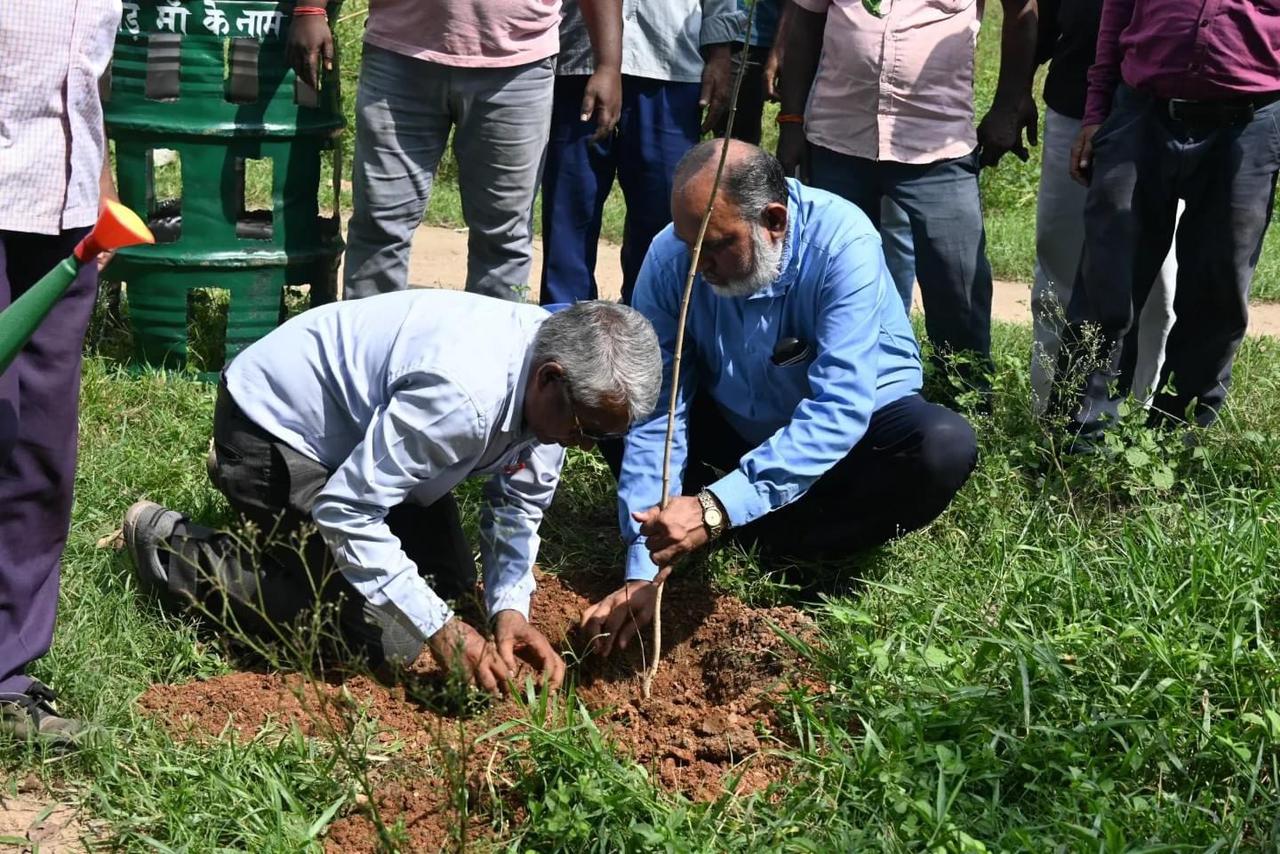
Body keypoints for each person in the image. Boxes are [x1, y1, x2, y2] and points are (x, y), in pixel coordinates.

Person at [123, 293, 661, 693]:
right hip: (275, 430)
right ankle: (175, 546)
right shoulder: (464, 396)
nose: (585, 446)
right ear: (549, 378)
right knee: (388, 636)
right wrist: (440, 631)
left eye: (601, 437)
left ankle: (272, 507)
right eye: (586, 430)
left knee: (449, 595)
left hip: (371, 440)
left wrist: (509, 610)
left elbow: (518, 504)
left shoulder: (556, 380)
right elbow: (347, 511)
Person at [580, 141, 978, 654]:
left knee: (940, 447)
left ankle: (777, 540)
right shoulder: (669, 259)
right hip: (735, 426)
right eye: (689, 246)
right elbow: (660, 409)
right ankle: (715, 525)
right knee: (615, 402)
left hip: (850, 438)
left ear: (774, 220)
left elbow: (839, 408)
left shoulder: (842, 241)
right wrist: (642, 566)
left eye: (718, 245)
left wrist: (716, 507)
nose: (699, 267)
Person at [775, 0, 1038, 389]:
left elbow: (1021, 12)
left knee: (957, 282)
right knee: (832, 276)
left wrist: (1008, 105)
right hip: (838, 139)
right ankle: (844, 394)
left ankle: (965, 398)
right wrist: (791, 120)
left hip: (938, 144)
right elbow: (804, 20)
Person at [287, 0, 623, 302]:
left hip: (517, 66)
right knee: (380, 223)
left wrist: (608, 65)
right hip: (400, 55)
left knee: (503, 237)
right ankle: (367, 357)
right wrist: (311, 8)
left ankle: (486, 359)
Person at [1057, 0, 1280, 435]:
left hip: (1250, 122)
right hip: (1142, 111)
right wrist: (1097, 111)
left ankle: (1180, 438)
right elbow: (1116, 13)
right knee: (1108, 280)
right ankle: (1083, 438)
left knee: (1217, 290)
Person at [0, 0, 122, 746]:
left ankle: (7, 679)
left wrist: (100, 182)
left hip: (65, 218)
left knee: (40, 450)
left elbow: (90, 79)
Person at [539, 0, 741, 306]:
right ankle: (564, 328)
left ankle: (653, 331)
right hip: (580, 60)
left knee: (666, 215)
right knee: (569, 208)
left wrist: (720, 54)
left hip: (670, 65)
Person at [1029, 0, 1175, 416]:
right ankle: (1051, 419)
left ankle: (1137, 417)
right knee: (1060, 273)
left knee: (1158, 291)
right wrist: (1015, 91)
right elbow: (1042, 18)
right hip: (1074, 107)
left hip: (1166, 119)